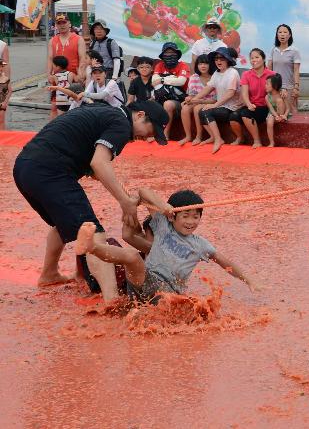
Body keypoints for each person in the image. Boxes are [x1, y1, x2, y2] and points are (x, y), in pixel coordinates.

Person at [12, 100, 169, 301]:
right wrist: (125, 202)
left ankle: (49, 274)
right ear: (139, 115)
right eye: (150, 129)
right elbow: (99, 163)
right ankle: (111, 300)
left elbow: (94, 168)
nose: (146, 137)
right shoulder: (121, 123)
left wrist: (127, 198)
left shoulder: (104, 112)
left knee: (63, 222)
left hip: (25, 167)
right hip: (50, 171)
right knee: (94, 233)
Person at [74, 188, 258, 304]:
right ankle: (91, 247)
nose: (191, 221)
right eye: (185, 215)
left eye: (196, 216)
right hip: (144, 280)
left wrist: (249, 281)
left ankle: (93, 248)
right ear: (173, 216)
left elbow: (224, 262)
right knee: (132, 256)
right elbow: (143, 191)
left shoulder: (200, 244)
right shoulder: (163, 225)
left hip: (168, 292)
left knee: (180, 308)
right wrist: (163, 206)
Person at [195, 47, 243, 154]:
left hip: (231, 107)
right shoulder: (216, 73)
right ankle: (213, 137)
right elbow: (208, 88)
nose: (218, 61)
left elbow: (230, 93)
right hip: (221, 106)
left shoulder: (232, 72)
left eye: (222, 58)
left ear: (228, 60)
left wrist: (215, 105)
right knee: (201, 112)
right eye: (216, 59)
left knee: (206, 111)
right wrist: (194, 99)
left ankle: (218, 139)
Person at [153, 42, 191, 140]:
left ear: (177, 55)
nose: (170, 55)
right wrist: (172, 78)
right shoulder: (159, 65)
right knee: (149, 103)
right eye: (167, 53)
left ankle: (165, 135)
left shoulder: (183, 65)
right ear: (163, 56)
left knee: (168, 104)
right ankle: (151, 133)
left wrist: (162, 79)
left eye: (172, 53)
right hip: (162, 95)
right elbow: (153, 81)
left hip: (181, 99)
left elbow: (181, 82)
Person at [239, 48, 275, 148]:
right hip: (252, 106)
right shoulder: (246, 74)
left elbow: (276, 92)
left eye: (257, 57)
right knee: (234, 116)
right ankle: (239, 139)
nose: (253, 60)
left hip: (266, 107)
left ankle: (257, 141)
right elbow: (244, 93)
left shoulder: (272, 74)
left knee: (245, 114)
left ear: (263, 59)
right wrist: (248, 104)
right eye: (251, 58)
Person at [178, 53, 216, 146]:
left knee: (197, 108)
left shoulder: (215, 77)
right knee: (185, 109)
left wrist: (198, 100)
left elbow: (215, 100)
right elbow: (192, 95)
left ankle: (199, 136)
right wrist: (188, 99)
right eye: (200, 64)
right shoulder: (194, 77)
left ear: (210, 64)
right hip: (197, 101)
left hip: (210, 102)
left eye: (205, 63)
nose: (203, 66)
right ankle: (188, 136)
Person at [267, 24, 301, 116]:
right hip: (275, 87)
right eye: (280, 32)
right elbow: (269, 68)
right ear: (277, 35)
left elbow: (296, 70)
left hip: (289, 87)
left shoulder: (294, 51)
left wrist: (296, 87)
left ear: (289, 35)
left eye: (285, 32)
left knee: (291, 111)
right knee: (277, 113)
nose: (282, 34)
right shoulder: (273, 50)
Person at [47, 13, 85, 83]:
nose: (62, 25)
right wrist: (49, 75)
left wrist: (81, 74)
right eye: (59, 23)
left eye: (64, 22)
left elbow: (82, 58)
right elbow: (50, 59)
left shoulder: (79, 39)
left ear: (69, 23)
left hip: (74, 78)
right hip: (57, 78)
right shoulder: (52, 41)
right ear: (56, 25)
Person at [266, 73, 289, 148]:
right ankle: (271, 142)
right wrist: (275, 116)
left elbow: (288, 108)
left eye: (267, 84)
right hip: (273, 113)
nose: (265, 86)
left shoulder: (282, 94)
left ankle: (281, 117)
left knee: (279, 101)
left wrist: (285, 115)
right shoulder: (267, 97)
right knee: (269, 122)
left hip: (282, 113)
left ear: (274, 85)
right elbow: (271, 109)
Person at [0, 39, 10, 130]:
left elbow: (6, 65)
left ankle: (2, 142)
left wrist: (7, 82)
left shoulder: (2, 45)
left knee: (1, 118)